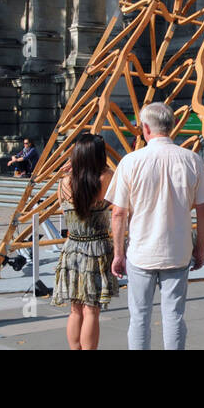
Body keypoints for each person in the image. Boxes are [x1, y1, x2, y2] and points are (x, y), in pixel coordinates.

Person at [108, 102, 204, 351]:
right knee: (174, 315)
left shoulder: (131, 161)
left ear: (145, 128)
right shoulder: (192, 160)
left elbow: (118, 213)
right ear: (172, 126)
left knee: (139, 317)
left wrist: (118, 253)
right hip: (177, 250)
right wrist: (199, 249)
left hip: (141, 251)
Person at [53, 134, 118, 349]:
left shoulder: (64, 183)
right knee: (92, 309)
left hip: (72, 248)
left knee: (75, 309)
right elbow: (120, 192)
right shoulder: (105, 177)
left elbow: (64, 205)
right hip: (97, 248)